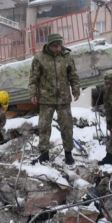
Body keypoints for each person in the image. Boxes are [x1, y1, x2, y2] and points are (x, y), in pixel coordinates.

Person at [28, 33, 80, 166]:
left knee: (67, 127)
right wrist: (33, 93)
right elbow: (33, 78)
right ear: (49, 45)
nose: (58, 48)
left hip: (63, 98)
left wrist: (75, 89)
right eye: (55, 46)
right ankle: (44, 154)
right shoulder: (39, 58)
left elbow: (73, 75)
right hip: (46, 98)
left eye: (59, 45)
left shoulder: (66, 56)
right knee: (44, 127)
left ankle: (68, 154)